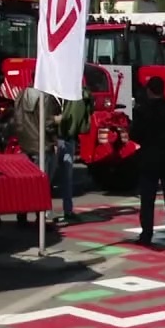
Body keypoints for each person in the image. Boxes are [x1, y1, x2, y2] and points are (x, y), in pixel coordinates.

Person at [130, 77, 165, 247]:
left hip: (149, 159)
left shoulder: (141, 111)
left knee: (147, 201)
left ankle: (146, 235)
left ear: (149, 90)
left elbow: (135, 134)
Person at [12, 85, 62, 228]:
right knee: (42, 185)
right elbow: (47, 124)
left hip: (25, 143)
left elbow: (17, 118)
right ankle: (41, 220)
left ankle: (21, 216)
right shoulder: (45, 97)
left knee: (25, 184)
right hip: (42, 145)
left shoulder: (21, 95)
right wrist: (58, 120)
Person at [55, 84, 93, 224]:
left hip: (54, 138)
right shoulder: (79, 94)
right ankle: (67, 210)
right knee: (66, 178)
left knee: (49, 177)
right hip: (66, 138)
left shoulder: (53, 92)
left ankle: (44, 214)